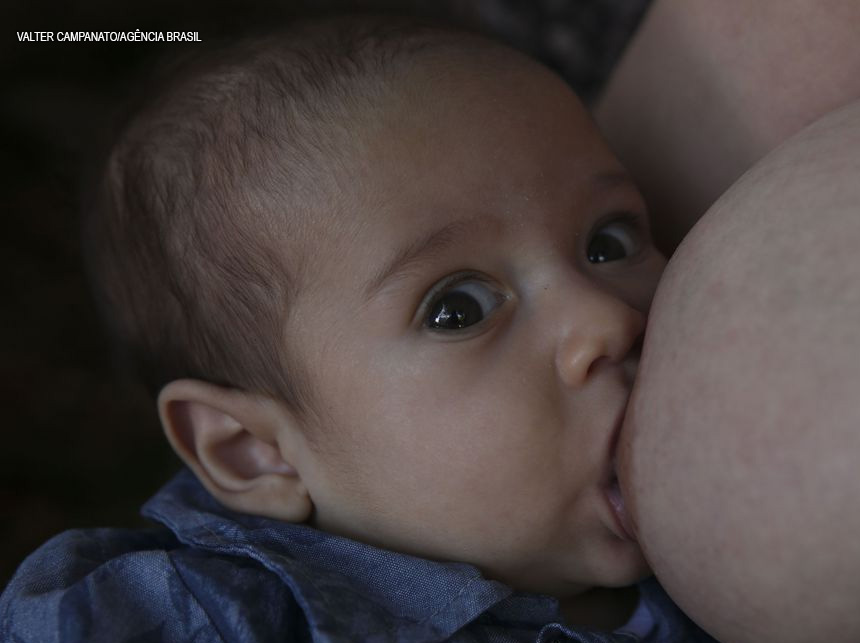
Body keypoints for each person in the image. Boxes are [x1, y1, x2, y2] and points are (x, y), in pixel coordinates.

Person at [0, 15, 713, 642]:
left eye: (609, 242)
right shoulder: (214, 614)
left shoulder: (716, 568)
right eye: (456, 309)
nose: (607, 319)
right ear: (256, 451)